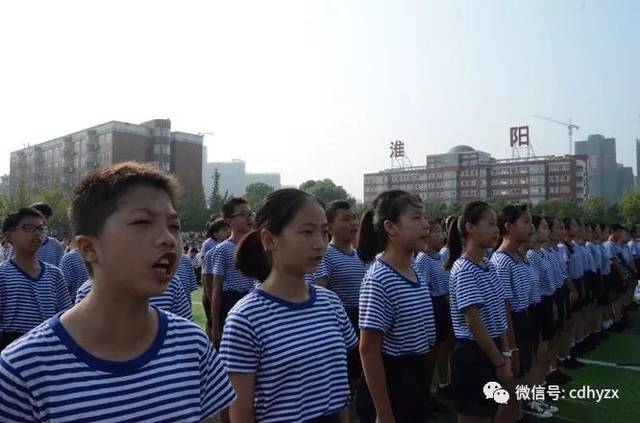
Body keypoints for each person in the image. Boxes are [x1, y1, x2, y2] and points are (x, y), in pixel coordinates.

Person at [0, 162, 236, 421]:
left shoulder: (192, 345)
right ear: (87, 248)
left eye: (174, 226)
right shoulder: (23, 369)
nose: (168, 238)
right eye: (142, 222)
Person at [220, 188, 357, 422]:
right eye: (306, 232)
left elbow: (340, 389)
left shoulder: (330, 302)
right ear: (269, 239)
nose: (319, 244)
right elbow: (239, 411)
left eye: (324, 232)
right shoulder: (245, 318)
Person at [356, 190, 436, 423]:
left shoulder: (414, 270)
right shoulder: (379, 278)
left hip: (416, 377)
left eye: (425, 217)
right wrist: (383, 412)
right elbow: (369, 350)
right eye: (416, 218)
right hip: (393, 382)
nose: (426, 226)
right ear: (391, 228)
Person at [445, 201, 515, 423]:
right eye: (490, 224)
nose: (496, 230)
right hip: (473, 353)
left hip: (491, 347)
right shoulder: (464, 269)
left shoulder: (488, 264)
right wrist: (500, 362)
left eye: (497, 225)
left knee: (489, 412)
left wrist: (505, 352)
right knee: (474, 415)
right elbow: (474, 323)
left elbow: (498, 314)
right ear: (470, 227)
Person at [491, 206, 552, 419]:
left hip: (525, 317)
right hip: (513, 323)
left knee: (522, 375)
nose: (531, 227)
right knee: (510, 384)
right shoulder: (501, 261)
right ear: (508, 227)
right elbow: (504, 307)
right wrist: (512, 347)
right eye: (525, 222)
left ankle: (518, 414)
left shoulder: (519, 257)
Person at [314, 200, 368, 392]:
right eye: (345, 219)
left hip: (363, 317)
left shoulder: (360, 255)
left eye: (354, 217)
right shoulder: (325, 255)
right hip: (341, 318)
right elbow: (321, 290)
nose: (353, 223)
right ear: (330, 226)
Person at [0, 208, 72, 350]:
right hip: (10, 348)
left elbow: (67, 317)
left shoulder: (55, 275)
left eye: (41, 228)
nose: (37, 234)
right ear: (9, 236)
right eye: (28, 228)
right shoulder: (2, 275)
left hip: (49, 347)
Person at [202, 198, 257, 345]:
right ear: (229, 221)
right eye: (243, 214)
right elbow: (216, 288)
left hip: (253, 301)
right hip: (231, 302)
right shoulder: (223, 250)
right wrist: (215, 325)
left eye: (250, 213)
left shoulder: (256, 246)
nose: (249, 218)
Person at [414, 218, 454, 407]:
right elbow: (422, 289)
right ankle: (425, 392)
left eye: (442, 233)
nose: (441, 237)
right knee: (431, 353)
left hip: (444, 304)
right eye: (436, 233)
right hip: (432, 306)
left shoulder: (441, 257)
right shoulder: (423, 259)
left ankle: (445, 384)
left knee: (444, 349)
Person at [5, 202, 65, 267]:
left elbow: (61, 267)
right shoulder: (20, 243)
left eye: (47, 217)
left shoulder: (55, 245)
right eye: (40, 216)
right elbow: (11, 263)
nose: (44, 220)